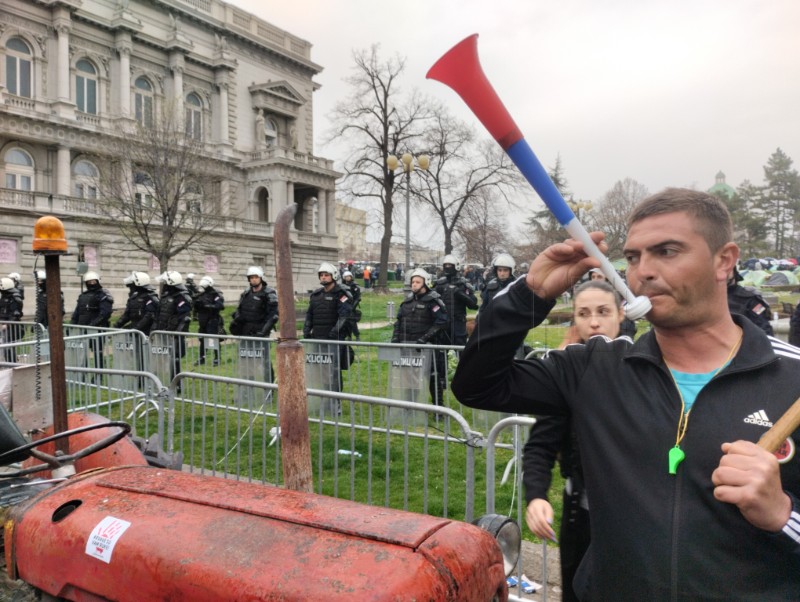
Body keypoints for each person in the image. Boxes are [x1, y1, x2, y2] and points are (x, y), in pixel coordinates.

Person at [452, 188, 800, 601]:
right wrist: (530, 294)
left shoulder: (791, 380)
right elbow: (477, 384)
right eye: (633, 257)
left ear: (724, 260)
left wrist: (782, 513)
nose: (642, 272)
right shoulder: (596, 368)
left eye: (667, 251)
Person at [523, 280, 627, 602]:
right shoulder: (566, 373)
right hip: (581, 515)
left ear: (620, 314)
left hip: (634, 517)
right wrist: (536, 495)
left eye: (602, 311)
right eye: (583, 313)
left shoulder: (643, 365)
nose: (593, 321)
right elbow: (541, 444)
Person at [391, 268, 449, 405]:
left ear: (426, 283)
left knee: (432, 377)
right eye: (413, 282)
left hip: (427, 347)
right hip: (409, 347)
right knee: (410, 378)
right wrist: (395, 337)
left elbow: (442, 322)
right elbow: (398, 321)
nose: (414, 284)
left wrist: (425, 338)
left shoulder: (434, 301)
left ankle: (438, 408)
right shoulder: (407, 301)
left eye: (418, 282)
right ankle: (410, 406)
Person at [302, 262, 353, 390]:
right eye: (321, 275)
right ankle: (325, 397)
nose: (323, 277)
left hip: (334, 339)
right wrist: (307, 330)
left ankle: (336, 401)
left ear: (333, 276)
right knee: (321, 369)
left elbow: (344, 315)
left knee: (333, 370)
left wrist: (335, 332)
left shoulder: (342, 293)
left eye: (326, 275)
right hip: (318, 338)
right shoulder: (316, 295)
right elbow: (310, 314)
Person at [154, 271, 193, 383]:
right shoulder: (165, 296)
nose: (164, 284)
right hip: (163, 332)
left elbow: (185, 318)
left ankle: (176, 384)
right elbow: (158, 315)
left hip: (174, 334)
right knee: (161, 358)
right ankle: (161, 382)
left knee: (174, 360)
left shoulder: (182, 297)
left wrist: (177, 334)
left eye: (166, 282)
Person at [71, 271, 114, 370]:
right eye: (89, 282)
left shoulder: (103, 295)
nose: (91, 284)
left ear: (98, 281)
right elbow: (77, 311)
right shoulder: (83, 296)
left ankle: (98, 375)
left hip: (97, 330)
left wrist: (92, 325)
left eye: (93, 281)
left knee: (97, 353)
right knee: (82, 353)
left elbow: (105, 313)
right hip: (83, 330)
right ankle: (82, 374)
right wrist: (72, 325)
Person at [434, 255, 479, 345]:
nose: (447, 268)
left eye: (450, 265)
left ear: (456, 266)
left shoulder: (463, 284)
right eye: (445, 265)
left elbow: (473, 305)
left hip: (458, 322)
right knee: (441, 352)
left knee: (460, 350)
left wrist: (459, 293)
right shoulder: (439, 284)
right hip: (442, 322)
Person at [230, 266, 278, 338]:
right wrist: (237, 321)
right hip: (245, 330)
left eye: (256, 277)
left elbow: (273, 315)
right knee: (243, 349)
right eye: (251, 278)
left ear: (261, 278)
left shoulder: (269, 293)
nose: (254, 280)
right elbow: (239, 309)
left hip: (260, 331)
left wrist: (263, 331)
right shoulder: (246, 292)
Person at [727, 267, 773, 335]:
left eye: (727, 270)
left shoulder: (752, 300)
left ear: (734, 273)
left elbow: (764, 328)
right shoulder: (710, 299)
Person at [194, 276, 224, 366]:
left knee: (213, 339)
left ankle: (217, 358)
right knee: (202, 340)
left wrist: (208, 306)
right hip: (202, 320)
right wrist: (196, 304)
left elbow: (220, 306)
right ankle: (202, 358)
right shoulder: (201, 295)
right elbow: (197, 307)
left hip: (212, 320)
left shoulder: (216, 294)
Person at [0, 277, 23, 363]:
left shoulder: (14, 297)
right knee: (6, 346)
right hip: (5, 324)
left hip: (11, 326)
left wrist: (8, 324)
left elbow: (15, 314)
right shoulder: (5, 296)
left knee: (8, 347)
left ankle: (12, 364)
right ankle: (9, 363)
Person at [341, 270, 362, 341]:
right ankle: (349, 336)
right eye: (346, 277)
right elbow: (342, 296)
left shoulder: (354, 286)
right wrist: (343, 303)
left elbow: (357, 298)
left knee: (352, 322)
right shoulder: (342, 286)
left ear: (351, 277)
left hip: (352, 306)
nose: (347, 278)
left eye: (348, 276)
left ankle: (357, 336)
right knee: (346, 322)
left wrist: (352, 307)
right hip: (345, 306)